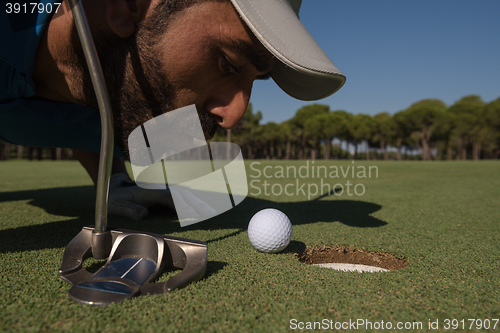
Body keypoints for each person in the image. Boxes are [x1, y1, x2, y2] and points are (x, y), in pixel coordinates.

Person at [0, 0, 345, 220]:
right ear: (126, 6)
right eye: (227, 62)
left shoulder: (123, 97)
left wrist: (112, 180)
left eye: (259, 79)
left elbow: (86, 122)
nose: (235, 115)